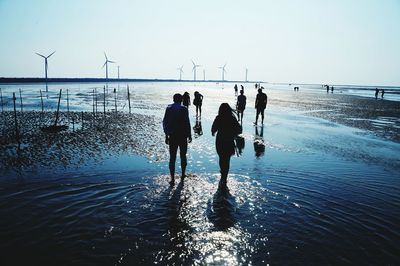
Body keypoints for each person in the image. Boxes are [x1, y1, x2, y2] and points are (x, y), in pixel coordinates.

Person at [163, 93, 192, 184]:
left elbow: (165, 122)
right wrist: (189, 135)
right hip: (182, 135)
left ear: (173, 99)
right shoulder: (184, 109)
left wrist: (166, 135)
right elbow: (187, 122)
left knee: (172, 157)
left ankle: (172, 178)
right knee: (183, 155)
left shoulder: (169, 108)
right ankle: (183, 174)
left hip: (172, 135)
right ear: (181, 100)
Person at [211, 103, 242, 184]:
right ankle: (225, 176)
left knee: (221, 158)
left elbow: (213, 129)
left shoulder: (218, 118)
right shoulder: (232, 118)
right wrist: (233, 133)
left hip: (220, 140)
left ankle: (222, 173)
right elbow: (239, 130)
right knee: (227, 159)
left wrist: (214, 132)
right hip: (229, 140)